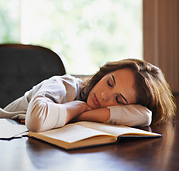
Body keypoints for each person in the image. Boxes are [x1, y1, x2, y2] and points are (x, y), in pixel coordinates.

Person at [0, 58, 176, 132]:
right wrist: (78, 107)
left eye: (119, 99)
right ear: (103, 74)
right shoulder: (64, 85)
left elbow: (145, 115)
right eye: (109, 82)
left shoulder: (98, 107)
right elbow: (37, 120)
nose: (105, 96)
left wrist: (81, 116)